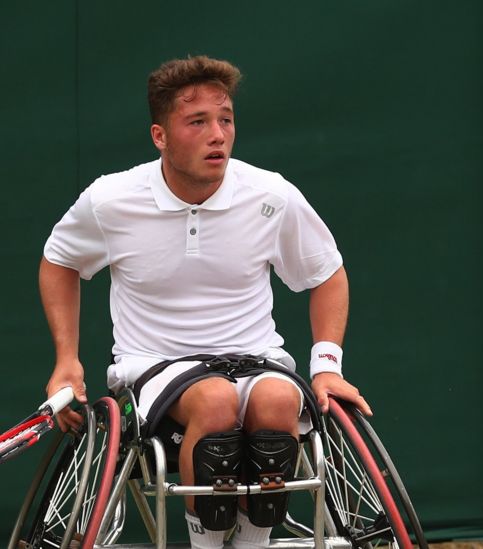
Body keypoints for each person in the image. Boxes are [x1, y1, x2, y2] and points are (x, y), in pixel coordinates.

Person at [40, 55, 370, 549]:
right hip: (154, 369)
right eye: (197, 122)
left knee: (280, 399)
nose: (218, 134)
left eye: (226, 119)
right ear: (160, 136)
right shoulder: (110, 200)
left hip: (258, 362)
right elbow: (60, 261)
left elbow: (327, 273)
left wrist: (326, 365)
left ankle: (250, 545)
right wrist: (66, 360)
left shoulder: (271, 195)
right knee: (215, 401)